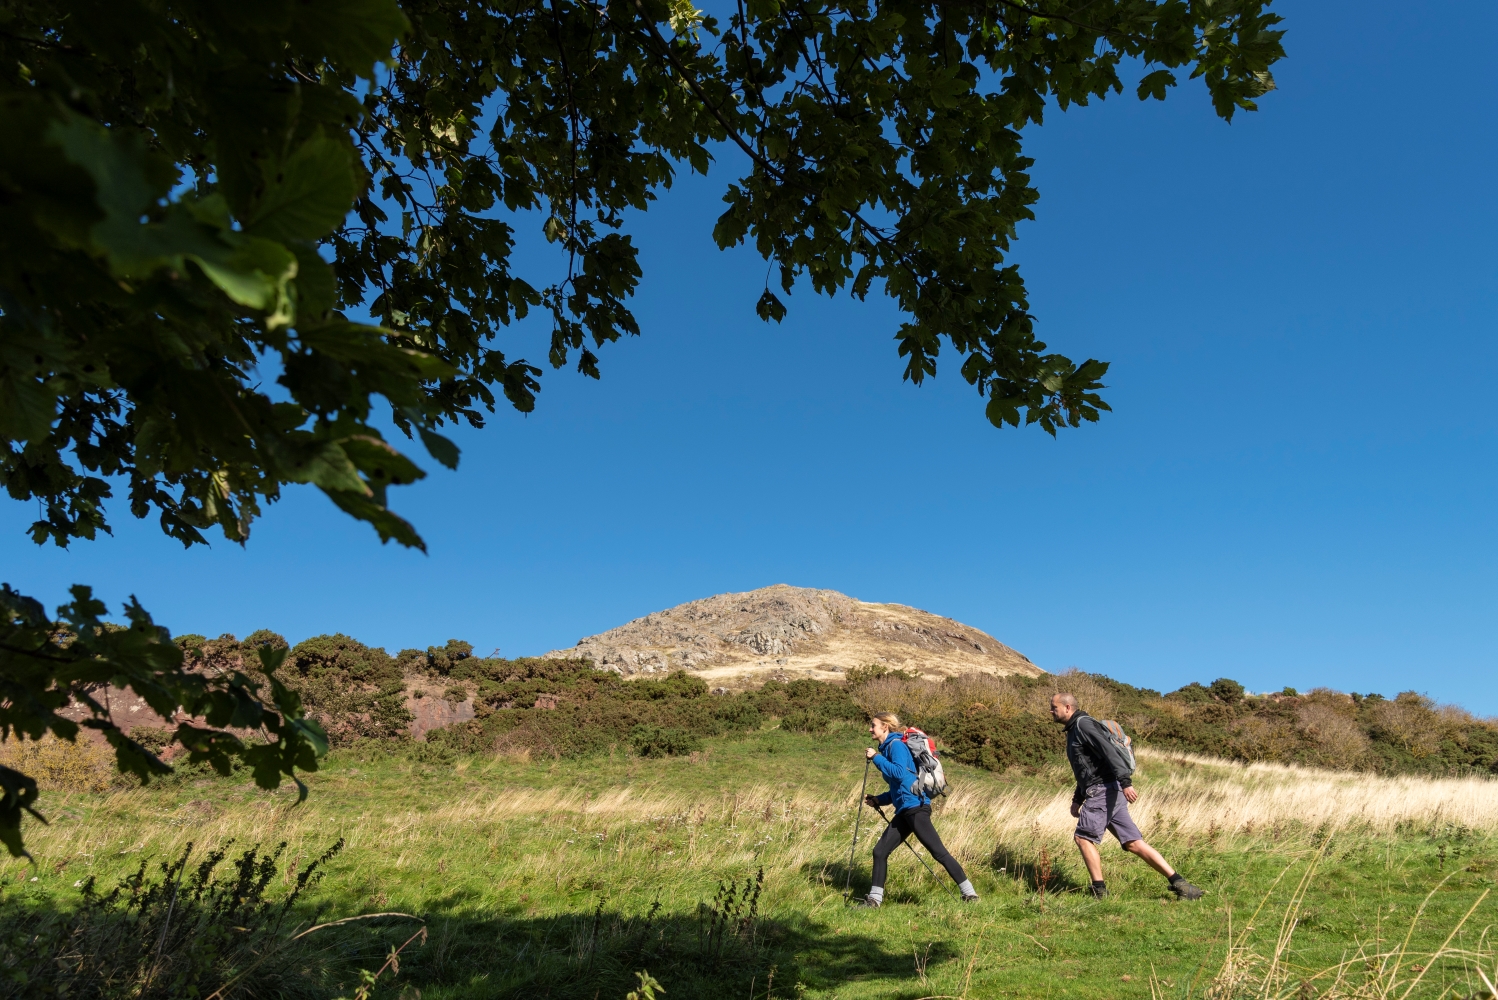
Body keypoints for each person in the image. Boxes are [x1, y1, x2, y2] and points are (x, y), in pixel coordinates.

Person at [1048, 692, 1204, 900]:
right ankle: (1183, 886)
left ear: (1068, 708)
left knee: (1083, 838)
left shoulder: (1083, 726)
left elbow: (1109, 752)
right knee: (1133, 843)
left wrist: (1126, 782)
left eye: (1054, 707)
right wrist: (1078, 798)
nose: (1051, 711)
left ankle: (1099, 891)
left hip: (1103, 791)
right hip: (1109, 790)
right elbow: (1086, 768)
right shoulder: (1075, 730)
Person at [857, 711, 979, 907]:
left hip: (915, 808)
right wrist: (878, 800)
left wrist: (876, 758)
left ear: (884, 727)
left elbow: (899, 774)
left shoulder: (896, 746)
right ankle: (874, 900)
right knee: (880, 852)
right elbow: (900, 787)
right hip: (905, 810)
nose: (870, 729)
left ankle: (970, 894)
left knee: (938, 852)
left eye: (873, 725)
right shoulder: (889, 748)